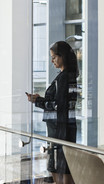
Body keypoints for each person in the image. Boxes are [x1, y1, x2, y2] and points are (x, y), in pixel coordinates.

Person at [27, 41, 78, 184]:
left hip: (59, 129)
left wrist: (38, 101)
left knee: (59, 166)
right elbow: (60, 103)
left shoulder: (64, 77)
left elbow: (58, 106)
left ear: (62, 57)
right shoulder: (67, 76)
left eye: (54, 57)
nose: (52, 60)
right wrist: (40, 99)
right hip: (61, 127)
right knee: (61, 165)